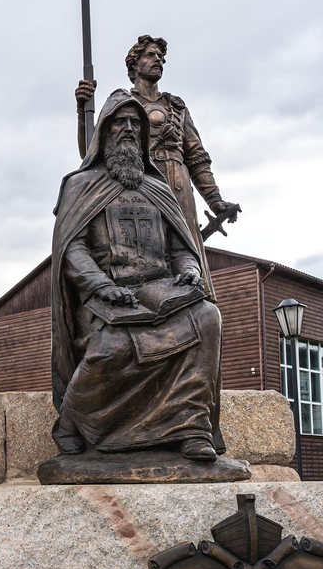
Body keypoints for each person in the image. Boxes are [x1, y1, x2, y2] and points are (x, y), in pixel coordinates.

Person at [51, 90, 224, 461]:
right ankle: (72, 420)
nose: (128, 129)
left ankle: (192, 428)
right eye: (120, 122)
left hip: (161, 291)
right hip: (104, 297)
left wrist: (191, 271)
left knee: (208, 317)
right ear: (104, 130)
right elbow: (73, 249)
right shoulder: (80, 186)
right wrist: (102, 285)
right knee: (112, 347)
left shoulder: (159, 189)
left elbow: (181, 249)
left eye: (135, 124)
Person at [76, 35, 238, 291]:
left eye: (161, 57)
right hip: (139, 183)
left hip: (177, 184)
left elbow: (196, 157)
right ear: (134, 64)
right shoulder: (122, 105)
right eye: (150, 55)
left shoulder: (176, 107)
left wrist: (215, 200)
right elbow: (91, 151)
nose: (158, 60)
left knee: (185, 250)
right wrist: (82, 111)